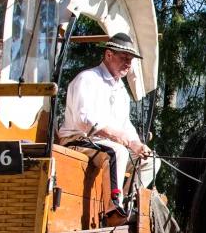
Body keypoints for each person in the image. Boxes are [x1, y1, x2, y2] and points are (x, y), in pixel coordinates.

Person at [56, 31, 159, 212]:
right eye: (124, 57)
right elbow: (84, 122)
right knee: (117, 151)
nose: (128, 63)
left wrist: (137, 144)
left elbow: (125, 125)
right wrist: (120, 138)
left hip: (104, 146)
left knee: (151, 161)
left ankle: (128, 204)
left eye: (131, 59)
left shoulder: (121, 90)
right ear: (109, 55)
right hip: (77, 141)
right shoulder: (87, 79)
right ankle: (113, 209)